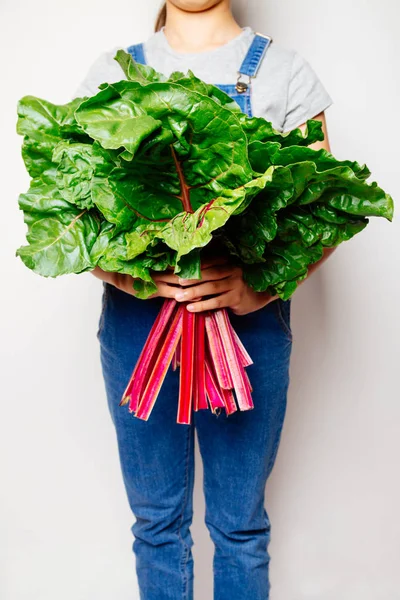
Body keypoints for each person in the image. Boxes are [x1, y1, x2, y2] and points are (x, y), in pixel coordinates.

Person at [76, 1, 335, 598]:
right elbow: (79, 212)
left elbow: (326, 210)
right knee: (157, 527)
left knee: (240, 530)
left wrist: (260, 288)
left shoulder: (286, 72)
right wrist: (125, 277)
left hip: (248, 334)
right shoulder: (111, 75)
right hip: (139, 333)